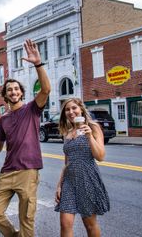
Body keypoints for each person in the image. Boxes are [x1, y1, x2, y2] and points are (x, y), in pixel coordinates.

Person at [0, 39, 51, 237]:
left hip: (28, 172)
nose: (13, 91)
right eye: (9, 89)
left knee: (26, 219)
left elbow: (46, 90)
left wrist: (38, 63)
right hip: (7, 173)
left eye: (16, 89)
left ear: (21, 93)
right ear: (5, 95)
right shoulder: (3, 119)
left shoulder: (32, 110)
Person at [54, 98, 110, 237]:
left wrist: (89, 135)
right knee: (65, 223)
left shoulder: (93, 127)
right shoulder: (67, 132)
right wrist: (59, 185)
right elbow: (67, 162)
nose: (71, 112)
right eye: (67, 109)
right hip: (69, 181)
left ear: (81, 109)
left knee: (89, 224)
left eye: (74, 108)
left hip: (87, 178)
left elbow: (100, 156)